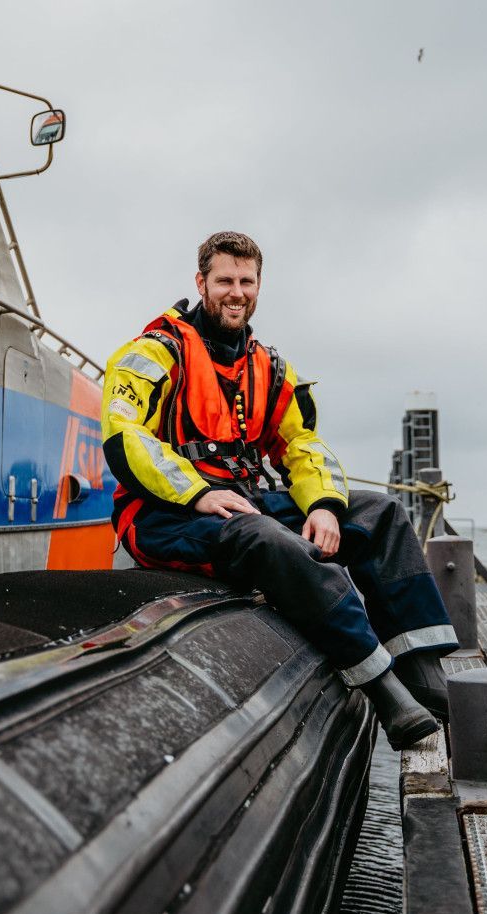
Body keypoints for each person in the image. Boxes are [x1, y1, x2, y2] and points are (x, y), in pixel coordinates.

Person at [100, 231, 456, 750]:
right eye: (224, 280)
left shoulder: (267, 366)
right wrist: (197, 492)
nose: (236, 291)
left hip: (243, 501)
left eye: (247, 281)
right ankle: (381, 686)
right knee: (266, 537)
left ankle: (423, 671)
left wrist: (325, 506)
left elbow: (301, 443)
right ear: (202, 283)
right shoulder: (153, 354)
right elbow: (123, 434)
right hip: (166, 517)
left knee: (379, 512)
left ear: (259, 286)